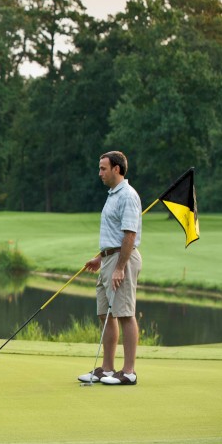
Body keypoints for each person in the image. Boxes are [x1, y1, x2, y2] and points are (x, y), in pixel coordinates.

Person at [79, 151, 142, 386]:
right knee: (105, 314)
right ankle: (106, 370)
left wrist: (120, 267)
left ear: (117, 169)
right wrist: (100, 258)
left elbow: (129, 235)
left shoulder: (127, 195)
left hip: (121, 261)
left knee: (125, 313)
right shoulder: (113, 195)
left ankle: (128, 372)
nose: (100, 173)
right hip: (107, 260)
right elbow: (114, 235)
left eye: (103, 168)